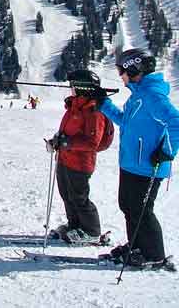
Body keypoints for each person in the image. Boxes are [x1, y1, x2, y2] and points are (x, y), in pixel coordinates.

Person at [96, 48, 179, 269]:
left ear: (134, 69)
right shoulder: (139, 95)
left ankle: (153, 255)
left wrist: (167, 152)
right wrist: (104, 104)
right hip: (133, 163)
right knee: (129, 206)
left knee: (141, 209)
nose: (120, 76)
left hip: (148, 166)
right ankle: (137, 246)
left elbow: (176, 122)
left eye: (122, 71)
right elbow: (127, 122)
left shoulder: (152, 96)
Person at [45, 69, 108, 243]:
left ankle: (92, 231)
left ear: (82, 88)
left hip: (80, 163)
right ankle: (75, 225)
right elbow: (68, 132)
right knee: (67, 195)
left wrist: (67, 143)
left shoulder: (93, 112)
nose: (70, 89)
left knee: (79, 198)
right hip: (65, 159)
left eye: (73, 86)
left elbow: (92, 142)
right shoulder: (75, 107)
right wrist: (57, 141)